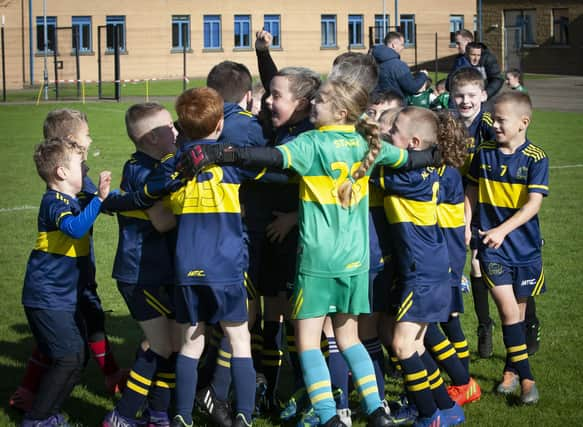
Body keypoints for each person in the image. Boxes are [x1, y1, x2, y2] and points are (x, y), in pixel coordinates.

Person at [178, 78, 440, 427]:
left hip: (317, 260)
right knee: (349, 338)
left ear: (342, 111)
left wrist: (221, 153)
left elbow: (270, 157)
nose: (313, 104)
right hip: (356, 261)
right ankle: (377, 412)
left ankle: (330, 417)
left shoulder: (312, 143)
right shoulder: (369, 142)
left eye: (321, 101)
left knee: (308, 344)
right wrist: (438, 153)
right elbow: (409, 160)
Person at [169, 87, 290, 427]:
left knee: (190, 344)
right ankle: (244, 416)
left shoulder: (176, 167)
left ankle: (180, 417)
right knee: (239, 340)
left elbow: (159, 198)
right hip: (225, 266)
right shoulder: (231, 164)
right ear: (221, 124)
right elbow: (277, 172)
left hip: (186, 266)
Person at [10, 110, 127, 413]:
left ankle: (35, 390)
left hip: (74, 270)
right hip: (62, 278)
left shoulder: (75, 174)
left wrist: (122, 200)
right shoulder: (61, 190)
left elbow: (95, 201)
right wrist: (105, 200)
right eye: (87, 134)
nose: (91, 139)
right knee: (72, 334)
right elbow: (82, 216)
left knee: (74, 329)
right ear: (73, 140)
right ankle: (37, 397)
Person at [375, 107, 466, 427]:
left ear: (413, 143)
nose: (387, 135)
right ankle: (446, 407)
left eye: (393, 129)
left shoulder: (404, 175)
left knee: (402, 344)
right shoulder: (421, 169)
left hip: (423, 273)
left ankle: (428, 416)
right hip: (431, 269)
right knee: (413, 344)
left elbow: (372, 165)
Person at [464, 91, 547, 404]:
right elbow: (471, 190)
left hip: (524, 249)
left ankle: (511, 371)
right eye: (493, 118)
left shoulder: (536, 158)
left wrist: (504, 229)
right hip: (491, 246)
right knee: (507, 309)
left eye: (501, 120)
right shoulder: (483, 152)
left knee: (520, 314)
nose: (494, 124)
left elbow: (533, 204)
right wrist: (465, 224)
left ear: (523, 123)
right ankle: (527, 380)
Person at [22, 138, 111, 426]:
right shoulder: (53, 202)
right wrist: (98, 199)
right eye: (78, 164)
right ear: (61, 172)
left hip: (62, 298)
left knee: (76, 357)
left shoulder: (74, 200)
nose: (85, 167)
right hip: (46, 297)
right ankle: (37, 418)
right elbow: (74, 228)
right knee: (70, 358)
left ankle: (48, 415)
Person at [103, 103, 180, 427]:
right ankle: (121, 416)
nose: (176, 130)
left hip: (158, 269)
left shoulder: (155, 163)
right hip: (140, 272)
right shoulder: (141, 170)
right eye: (168, 128)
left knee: (169, 344)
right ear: (150, 138)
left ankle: (158, 413)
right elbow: (162, 222)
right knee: (162, 344)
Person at [446, 29, 503, 100]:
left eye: (458, 43)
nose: (456, 46)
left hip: (485, 102)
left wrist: (486, 94)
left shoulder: (486, 57)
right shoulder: (459, 60)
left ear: (468, 42)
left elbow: (497, 79)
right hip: (464, 102)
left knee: (486, 111)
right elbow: (449, 84)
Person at [372, 31, 428, 101]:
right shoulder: (398, 65)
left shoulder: (371, 61)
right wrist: (423, 75)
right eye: (402, 44)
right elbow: (412, 87)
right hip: (395, 106)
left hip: (375, 104)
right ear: (393, 45)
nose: (403, 47)